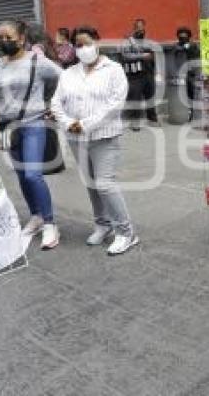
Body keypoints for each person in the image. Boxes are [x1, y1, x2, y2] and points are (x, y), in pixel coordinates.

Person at [51, 25, 139, 255]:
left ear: (97, 42)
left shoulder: (114, 69)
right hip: (75, 137)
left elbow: (115, 104)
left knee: (105, 184)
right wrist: (69, 123)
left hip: (104, 136)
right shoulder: (68, 73)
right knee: (91, 184)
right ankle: (103, 224)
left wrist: (85, 124)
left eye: (87, 43)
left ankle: (126, 232)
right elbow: (56, 103)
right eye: (78, 45)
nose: (83, 49)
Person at [0, 20, 63, 249]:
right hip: (8, 128)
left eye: (8, 37)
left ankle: (50, 223)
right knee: (21, 176)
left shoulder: (37, 61)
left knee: (32, 175)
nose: (4, 41)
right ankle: (36, 216)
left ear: (21, 38)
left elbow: (63, 78)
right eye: (0, 37)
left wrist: (51, 103)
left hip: (33, 124)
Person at [123, 19, 159, 131]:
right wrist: (142, 56)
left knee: (151, 97)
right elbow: (126, 57)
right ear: (134, 28)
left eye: (142, 27)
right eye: (138, 27)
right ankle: (134, 122)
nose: (140, 29)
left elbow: (153, 57)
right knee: (135, 98)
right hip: (135, 75)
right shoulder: (127, 42)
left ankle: (152, 119)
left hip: (148, 73)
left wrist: (155, 72)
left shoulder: (148, 42)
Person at [175, 26, 199, 121]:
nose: (182, 39)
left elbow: (195, 54)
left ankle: (192, 113)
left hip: (191, 74)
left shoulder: (193, 46)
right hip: (181, 74)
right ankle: (186, 112)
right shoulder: (177, 46)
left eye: (185, 37)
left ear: (188, 37)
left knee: (191, 94)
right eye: (181, 37)